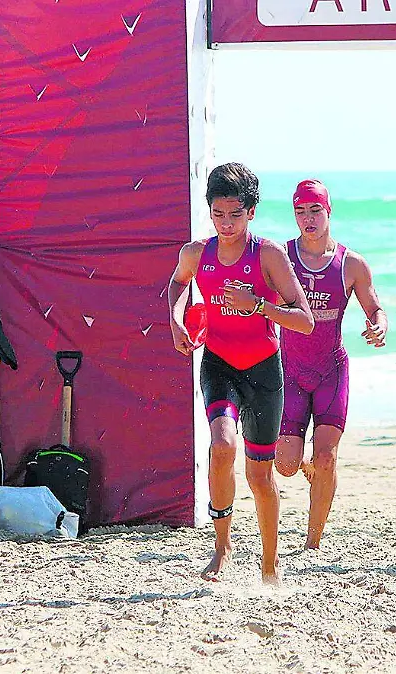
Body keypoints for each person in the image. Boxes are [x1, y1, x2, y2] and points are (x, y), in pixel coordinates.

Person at [167, 163, 315, 585]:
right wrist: (177, 320)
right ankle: (222, 545)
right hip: (218, 362)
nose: (226, 224)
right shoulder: (196, 253)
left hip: (264, 371)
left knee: (259, 475)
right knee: (220, 444)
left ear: (251, 212)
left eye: (235, 214)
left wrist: (258, 307)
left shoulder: (268, 255)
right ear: (209, 211)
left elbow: (304, 320)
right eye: (218, 214)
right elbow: (178, 284)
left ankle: (269, 564)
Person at [274, 179, 387, 550]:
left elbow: (374, 308)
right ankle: (307, 467)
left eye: (315, 211)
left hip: (331, 371)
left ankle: (312, 542)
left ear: (329, 211)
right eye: (300, 212)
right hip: (289, 370)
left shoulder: (350, 264)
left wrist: (378, 326)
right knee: (286, 465)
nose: (307, 219)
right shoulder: (280, 257)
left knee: (325, 456)